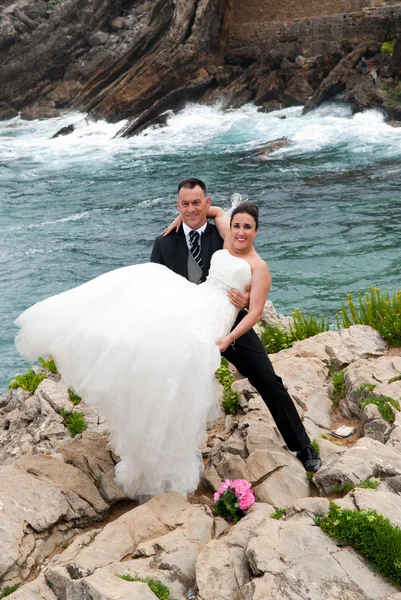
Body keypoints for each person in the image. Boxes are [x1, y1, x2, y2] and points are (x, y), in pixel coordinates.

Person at [14, 195, 276, 499]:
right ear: (232, 225)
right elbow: (213, 209)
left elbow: (255, 312)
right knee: (148, 317)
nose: (241, 231)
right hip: (197, 301)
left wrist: (230, 338)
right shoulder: (227, 234)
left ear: (257, 231)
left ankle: (168, 457)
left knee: (178, 379)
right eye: (238, 225)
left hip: (215, 321)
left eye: (248, 227)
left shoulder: (260, 267)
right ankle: (147, 445)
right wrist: (180, 219)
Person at [152, 178, 320, 473]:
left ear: (207, 202)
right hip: (189, 324)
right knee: (169, 382)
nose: (191, 210)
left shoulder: (225, 231)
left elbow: (244, 269)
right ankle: (164, 453)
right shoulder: (165, 242)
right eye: (184, 205)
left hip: (232, 320)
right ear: (177, 206)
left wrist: (243, 301)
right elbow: (156, 289)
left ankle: (302, 445)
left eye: (196, 203)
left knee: (267, 378)